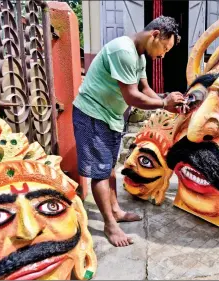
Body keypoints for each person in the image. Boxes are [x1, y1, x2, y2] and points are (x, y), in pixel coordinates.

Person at [72, 16, 184, 247]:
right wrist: (164, 104)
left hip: (111, 117)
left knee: (109, 168)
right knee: (101, 173)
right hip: (93, 114)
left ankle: (116, 211)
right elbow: (132, 96)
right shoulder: (123, 50)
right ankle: (109, 226)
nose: (162, 55)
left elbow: (145, 88)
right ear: (155, 34)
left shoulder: (139, 55)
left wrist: (168, 104)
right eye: (164, 47)